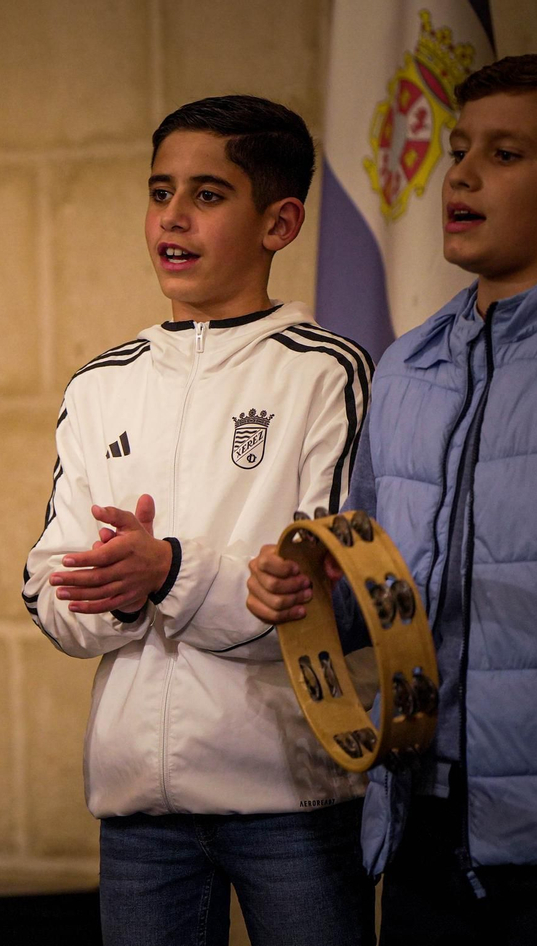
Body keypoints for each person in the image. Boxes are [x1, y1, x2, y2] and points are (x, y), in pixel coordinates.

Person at [247, 54, 537, 944]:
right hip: (423, 812)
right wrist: (313, 595)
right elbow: (379, 575)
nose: (461, 175)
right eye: (459, 148)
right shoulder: (408, 366)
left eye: (505, 154)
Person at [23, 96, 376, 945]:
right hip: (139, 809)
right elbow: (47, 586)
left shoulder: (327, 372)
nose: (172, 219)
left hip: (291, 798)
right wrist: (118, 592)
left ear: (280, 222)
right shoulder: (101, 382)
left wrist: (171, 570)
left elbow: (322, 595)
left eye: (208, 195)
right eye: (159, 192)